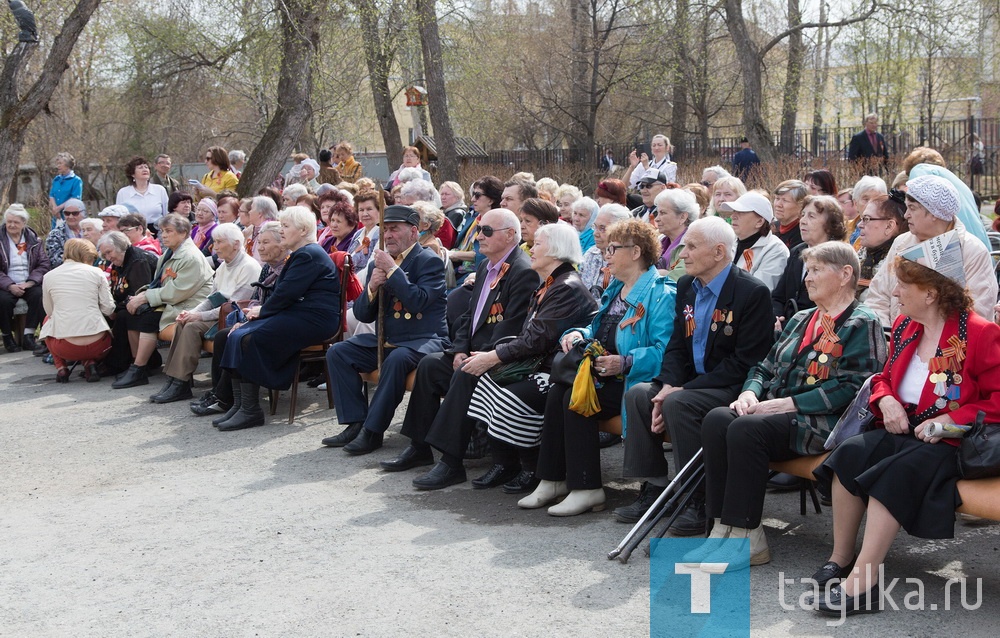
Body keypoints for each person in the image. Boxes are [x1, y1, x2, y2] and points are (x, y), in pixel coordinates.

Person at [809, 242, 1000, 617]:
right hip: (905, 428)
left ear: (930, 293)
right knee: (849, 454)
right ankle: (841, 558)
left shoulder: (980, 333)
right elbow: (881, 378)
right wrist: (885, 400)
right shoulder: (905, 325)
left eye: (902, 286)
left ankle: (863, 583)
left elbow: (997, 399)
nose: (894, 293)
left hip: (952, 441)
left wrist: (949, 419)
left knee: (895, 473)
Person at [683, 242, 887, 570]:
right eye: (808, 269)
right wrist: (750, 393)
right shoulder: (803, 318)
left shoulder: (862, 322)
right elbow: (763, 366)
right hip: (780, 416)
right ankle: (721, 530)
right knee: (718, 419)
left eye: (818, 269)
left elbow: (853, 388)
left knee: (748, 429)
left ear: (846, 274)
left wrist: (787, 404)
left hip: (824, 423)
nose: (808, 277)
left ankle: (749, 538)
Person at [615, 217, 775, 531]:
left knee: (679, 404)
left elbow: (747, 362)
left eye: (691, 246)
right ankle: (656, 487)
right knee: (638, 395)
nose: (681, 254)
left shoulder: (752, 293)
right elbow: (676, 344)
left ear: (718, 253)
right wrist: (669, 384)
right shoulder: (687, 285)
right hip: (690, 383)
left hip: (731, 386)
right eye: (684, 245)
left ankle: (698, 499)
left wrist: (682, 390)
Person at [412, 223, 598, 490]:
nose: (531, 250)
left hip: (552, 371)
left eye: (537, 245)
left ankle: (515, 465)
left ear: (556, 250)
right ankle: (495, 462)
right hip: (535, 362)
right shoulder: (551, 283)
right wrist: (488, 355)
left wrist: (494, 356)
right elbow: (529, 335)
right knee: (471, 372)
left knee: (478, 373)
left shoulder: (565, 286)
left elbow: (537, 340)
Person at [527, 220, 676, 515]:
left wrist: (626, 361)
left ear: (635, 252)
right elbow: (598, 326)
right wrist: (579, 334)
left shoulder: (661, 294)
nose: (604, 253)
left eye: (612, 248)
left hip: (636, 381)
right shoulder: (617, 287)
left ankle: (587, 487)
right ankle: (554, 478)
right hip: (606, 376)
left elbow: (666, 351)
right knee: (559, 391)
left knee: (576, 398)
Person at [382, 208, 540, 472]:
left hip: (500, 357)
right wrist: (458, 350)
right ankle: (419, 447)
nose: (479, 236)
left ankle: (450, 462)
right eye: (479, 230)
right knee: (430, 366)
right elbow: (470, 317)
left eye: (487, 231)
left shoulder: (522, 271)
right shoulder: (486, 266)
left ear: (511, 235)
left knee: (464, 374)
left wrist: (478, 355)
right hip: (472, 352)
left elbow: (511, 328)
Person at [322, 205, 449, 453]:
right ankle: (356, 423)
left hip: (423, 340)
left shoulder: (428, 261)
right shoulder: (378, 263)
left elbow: (419, 300)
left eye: (394, 229)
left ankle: (373, 431)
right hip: (389, 340)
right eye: (385, 230)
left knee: (398, 358)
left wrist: (392, 271)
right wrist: (371, 288)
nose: (388, 235)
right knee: (338, 352)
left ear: (413, 231)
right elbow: (362, 314)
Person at [214, 206, 342, 431]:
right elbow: (285, 294)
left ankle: (251, 409)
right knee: (232, 334)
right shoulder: (302, 254)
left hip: (315, 320)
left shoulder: (309, 254)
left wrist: (261, 311)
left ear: (302, 230)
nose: (281, 230)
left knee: (248, 337)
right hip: (298, 315)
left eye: (286, 226)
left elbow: (286, 294)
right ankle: (240, 404)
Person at [151, 223, 262, 404]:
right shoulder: (223, 266)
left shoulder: (248, 267)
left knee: (192, 326)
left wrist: (198, 317)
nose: (214, 247)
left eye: (219, 242)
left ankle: (181, 382)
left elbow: (234, 307)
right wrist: (191, 312)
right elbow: (211, 298)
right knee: (184, 322)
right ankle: (175, 380)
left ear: (235, 244)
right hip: (217, 315)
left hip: (233, 318)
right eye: (214, 242)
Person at [866, 175, 997, 326]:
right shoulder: (901, 243)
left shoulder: (972, 251)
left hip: (949, 346)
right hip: (896, 344)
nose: (906, 215)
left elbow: (979, 313)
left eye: (912, 208)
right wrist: (887, 336)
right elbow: (878, 295)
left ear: (934, 212)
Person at [190, 222, 288, 417]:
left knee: (237, 336)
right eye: (259, 242)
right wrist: (249, 313)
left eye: (265, 242)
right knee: (223, 336)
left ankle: (227, 399)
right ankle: (222, 395)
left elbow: (279, 303)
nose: (259, 248)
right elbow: (257, 299)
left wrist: (251, 316)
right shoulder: (267, 268)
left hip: (277, 320)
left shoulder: (288, 267)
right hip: (261, 316)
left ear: (283, 243)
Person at [114, 214, 214, 389]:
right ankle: (141, 366)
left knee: (147, 319)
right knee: (129, 315)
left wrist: (145, 297)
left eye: (169, 231)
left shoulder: (190, 257)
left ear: (183, 234)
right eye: (162, 231)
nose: (164, 235)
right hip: (174, 302)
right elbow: (160, 282)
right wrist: (140, 295)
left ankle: (139, 368)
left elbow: (177, 292)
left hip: (188, 305)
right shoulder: (170, 253)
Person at [39, 239, 116, 382]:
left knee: (47, 320)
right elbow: (108, 308)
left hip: (66, 348)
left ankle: (61, 368)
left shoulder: (49, 276)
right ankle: (90, 363)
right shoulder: (97, 273)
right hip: (99, 345)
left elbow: (50, 312)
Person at [772, 195, 847, 323]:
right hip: (786, 326)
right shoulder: (797, 251)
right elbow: (778, 296)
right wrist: (776, 318)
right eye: (803, 215)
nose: (802, 221)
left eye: (811, 216)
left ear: (830, 225)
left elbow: (830, 306)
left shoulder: (837, 257)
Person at [96, 231, 159, 376]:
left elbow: (138, 294)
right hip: (130, 303)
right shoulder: (120, 261)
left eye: (109, 252)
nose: (108, 258)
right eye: (105, 255)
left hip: (149, 304)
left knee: (123, 316)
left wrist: (115, 309)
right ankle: (103, 360)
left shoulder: (138, 261)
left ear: (120, 246)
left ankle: (120, 364)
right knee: (104, 314)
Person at [1, 203, 50, 352]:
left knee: (39, 295)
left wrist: (30, 282)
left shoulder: (34, 239)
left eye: (16, 222)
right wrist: (10, 285)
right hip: (5, 284)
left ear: (24, 223)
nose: (11, 225)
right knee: (3, 300)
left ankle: (29, 336)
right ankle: (8, 337)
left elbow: (43, 264)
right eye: (9, 221)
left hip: (28, 282)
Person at [720, 192, 789, 291]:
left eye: (741, 212)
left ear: (759, 222)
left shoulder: (776, 250)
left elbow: (757, 291)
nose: (733, 216)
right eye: (734, 211)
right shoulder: (730, 243)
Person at [856, 192, 907, 300]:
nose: (859, 225)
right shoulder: (861, 255)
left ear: (889, 226)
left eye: (866, 219)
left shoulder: (900, 269)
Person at [579, 204, 632, 299]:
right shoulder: (591, 254)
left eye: (602, 229)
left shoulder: (626, 259)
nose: (595, 233)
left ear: (620, 231)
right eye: (594, 227)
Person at [653, 188, 699, 281]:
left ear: (682, 217)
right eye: (657, 213)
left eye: (663, 213)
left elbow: (680, 278)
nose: (657, 219)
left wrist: (661, 274)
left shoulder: (694, 244)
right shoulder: (659, 240)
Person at [116, 157, 169, 231]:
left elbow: (167, 214)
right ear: (132, 174)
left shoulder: (160, 190)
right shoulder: (123, 193)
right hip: (134, 231)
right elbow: (119, 217)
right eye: (140, 167)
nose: (144, 169)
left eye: (146, 167)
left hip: (158, 231)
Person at [44, 198, 86, 268]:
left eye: (75, 213)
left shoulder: (93, 229)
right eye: (67, 213)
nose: (70, 216)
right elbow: (56, 261)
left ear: (83, 214)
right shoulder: (55, 234)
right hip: (66, 271)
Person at [48, 152, 83, 229]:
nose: (58, 166)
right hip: (56, 215)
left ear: (67, 165)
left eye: (60, 163)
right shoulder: (56, 179)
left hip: (70, 214)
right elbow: (51, 195)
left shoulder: (76, 180)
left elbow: (75, 198)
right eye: (57, 164)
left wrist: (59, 208)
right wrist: (55, 208)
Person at [772, 180, 809, 248]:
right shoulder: (772, 228)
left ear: (801, 205)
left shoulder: (803, 233)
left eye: (785, 200)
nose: (778, 204)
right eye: (777, 198)